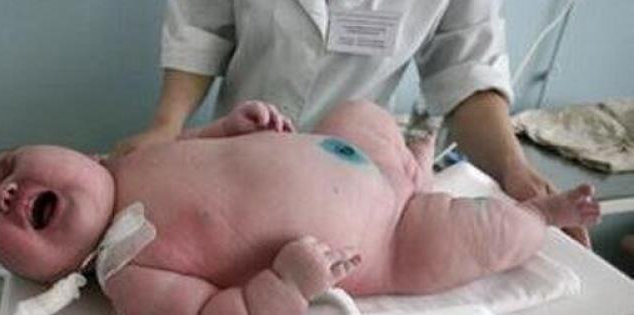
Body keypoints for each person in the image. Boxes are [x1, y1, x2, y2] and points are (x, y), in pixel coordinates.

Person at [0, 100, 599, 315]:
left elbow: (197, 150)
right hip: (390, 238)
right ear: (47, 275)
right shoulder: (128, 268)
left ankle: (413, 167)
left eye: (6, 167)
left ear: (74, 153)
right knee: (484, 233)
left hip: (344, 149)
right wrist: (285, 285)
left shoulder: (131, 159)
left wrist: (231, 127)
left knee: (358, 110)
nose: (5, 193)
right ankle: (540, 217)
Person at [112, 0, 591, 246]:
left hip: (361, 178)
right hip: (238, 160)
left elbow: (467, 74)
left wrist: (513, 169)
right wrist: (167, 125)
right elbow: (201, 28)